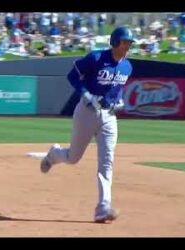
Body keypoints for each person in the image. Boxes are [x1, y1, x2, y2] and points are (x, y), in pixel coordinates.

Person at [40, 26, 134, 223]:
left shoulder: (127, 67)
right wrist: (86, 94)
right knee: (73, 157)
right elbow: (72, 76)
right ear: (115, 42)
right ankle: (54, 154)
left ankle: (103, 208)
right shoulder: (96, 58)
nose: (127, 46)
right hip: (86, 112)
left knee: (107, 162)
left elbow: (117, 90)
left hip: (109, 117)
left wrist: (119, 101)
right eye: (124, 42)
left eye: (129, 43)